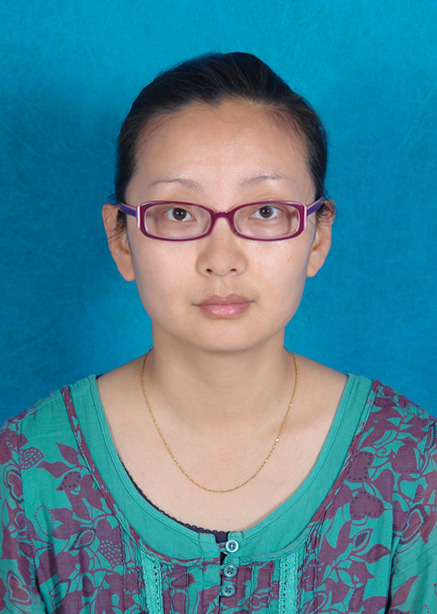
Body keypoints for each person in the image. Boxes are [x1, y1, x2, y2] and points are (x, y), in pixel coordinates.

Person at [0, 52, 436, 614]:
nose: (222, 258)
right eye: (179, 213)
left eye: (265, 211)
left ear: (319, 236)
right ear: (121, 237)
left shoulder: (412, 466)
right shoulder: (24, 475)